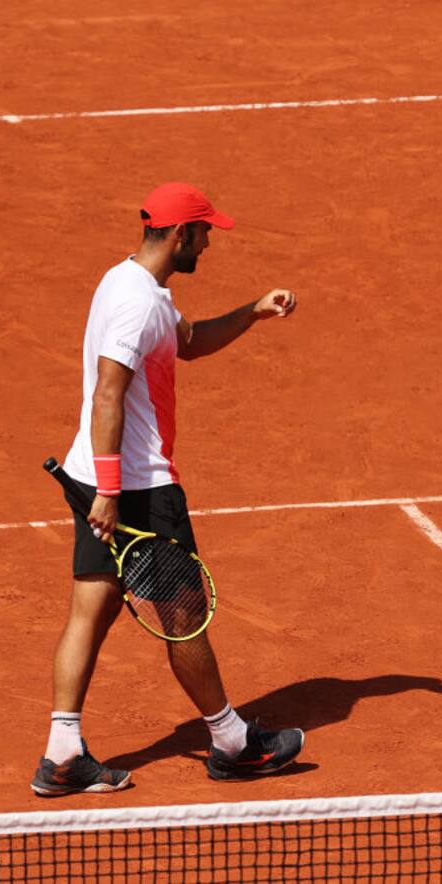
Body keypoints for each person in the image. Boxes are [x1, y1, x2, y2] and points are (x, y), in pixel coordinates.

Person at [32, 182, 306, 796]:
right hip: (133, 486)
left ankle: (62, 753)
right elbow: (108, 392)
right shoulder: (136, 304)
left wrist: (253, 311)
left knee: (93, 605)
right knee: (184, 615)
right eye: (205, 232)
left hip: (94, 472)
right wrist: (110, 491)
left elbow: (188, 342)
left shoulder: (132, 285)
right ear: (180, 234)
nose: (209, 242)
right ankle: (233, 743)